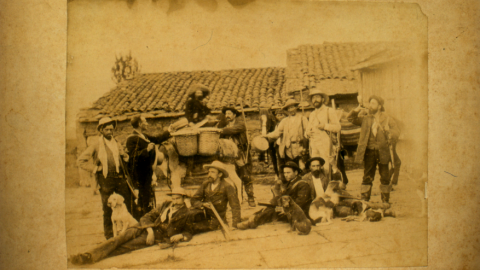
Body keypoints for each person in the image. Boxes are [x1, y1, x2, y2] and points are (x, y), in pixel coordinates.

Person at [69, 188, 194, 265]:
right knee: (118, 239)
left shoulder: (186, 213)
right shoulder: (166, 205)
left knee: (125, 247)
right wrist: (149, 230)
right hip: (143, 228)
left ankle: (90, 258)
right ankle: (87, 255)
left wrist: (180, 236)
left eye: (178, 198)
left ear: (184, 199)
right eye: (173, 198)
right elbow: (146, 217)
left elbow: (189, 231)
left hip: (158, 235)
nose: (175, 201)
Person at [77, 117, 133, 240]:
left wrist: (124, 155)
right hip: (106, 180)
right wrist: (95, 169)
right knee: (107, 207)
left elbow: (125, 159)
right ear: (101, 130)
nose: (109, 132)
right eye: (107, 130)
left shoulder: (117, 143)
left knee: (126, 204)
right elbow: (80, 161)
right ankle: (109, 236)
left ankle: (128, 232)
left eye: (111, 130)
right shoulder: (96, 145)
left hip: (119, 178)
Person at [347, 95, 400, 203]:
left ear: (379, 106)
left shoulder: (388, 118)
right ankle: (365, 201)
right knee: (367, 176)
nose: (370, 106)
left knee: (385, 177)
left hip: (383, 152)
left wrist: (389, 132)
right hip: (369, 152)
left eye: (373, 103)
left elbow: (396, 132)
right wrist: (356, 110)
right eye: (370, 103)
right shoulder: (365, 118)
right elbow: (350, 118)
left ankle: (385, 201)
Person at [236, 161, 312, 230]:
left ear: (296, 173)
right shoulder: (290, 182)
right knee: (270, 207)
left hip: (298, 213)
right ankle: (252, 217)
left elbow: (300, 203)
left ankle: (252, 222)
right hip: (289, 209)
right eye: (284, 173)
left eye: (288, 173)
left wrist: (285, 210)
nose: (285, 175)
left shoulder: (302, 184)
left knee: (273, 211)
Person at [126, 116, 171, 219]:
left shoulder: (144, 136)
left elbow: (156, 139)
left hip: (147, 173)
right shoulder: (131, 139)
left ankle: (148, 219)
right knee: (142, 199)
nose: (147, 124)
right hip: (139, 175)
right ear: (140, 124)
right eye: (145, 122)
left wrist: (168, 131)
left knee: (148, 198)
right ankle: (143, 220)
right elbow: (132, 157)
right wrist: (147, 150)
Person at [217, 106, 256, 207]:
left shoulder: (240, 124)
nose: (227, 116)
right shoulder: (224, 125)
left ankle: (250, 197)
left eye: (229, 113)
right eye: (226, 114)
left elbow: (232, 130)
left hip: (240, 154)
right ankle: (238, 199)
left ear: (234, 115)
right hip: (229, 155)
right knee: (232, 178)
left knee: (245, 175)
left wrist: (221, 130)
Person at [189, 161, 241, 232]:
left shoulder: (227, 187)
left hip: (217, 220)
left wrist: (235, 225)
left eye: (213, 172)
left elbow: (235, 207)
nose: (209, 175)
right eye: (209, 172)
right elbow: (193, 200)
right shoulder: (206, 184)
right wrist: (202, 204)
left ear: (220, 174)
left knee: (192, 228)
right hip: (204, 216)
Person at [263, 99, 309, 174]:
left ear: (296, 108)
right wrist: (266, 136)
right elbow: (277, 133)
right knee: (290, 169)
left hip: (299, 148)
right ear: (287, 110)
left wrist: (305, 140)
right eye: (289, 108)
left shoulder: (302, 119)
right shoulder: (284, 121)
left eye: (293, 107)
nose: (291, 109)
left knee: (302, 169)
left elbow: (307, 131)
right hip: (288, 149)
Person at [304, 88, 341, 181]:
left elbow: (337, 127)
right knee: (315, 166)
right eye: (313, 98)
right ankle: (319, 189)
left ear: (322, 99)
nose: (315, 100)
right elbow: (307, 131)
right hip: (314, 144)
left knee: (327, 166)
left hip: (326, 143)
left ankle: (329, 186)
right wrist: (307, 133)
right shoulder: (312, 114)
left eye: (317, 97)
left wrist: (325, 126)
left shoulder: (329, 111)